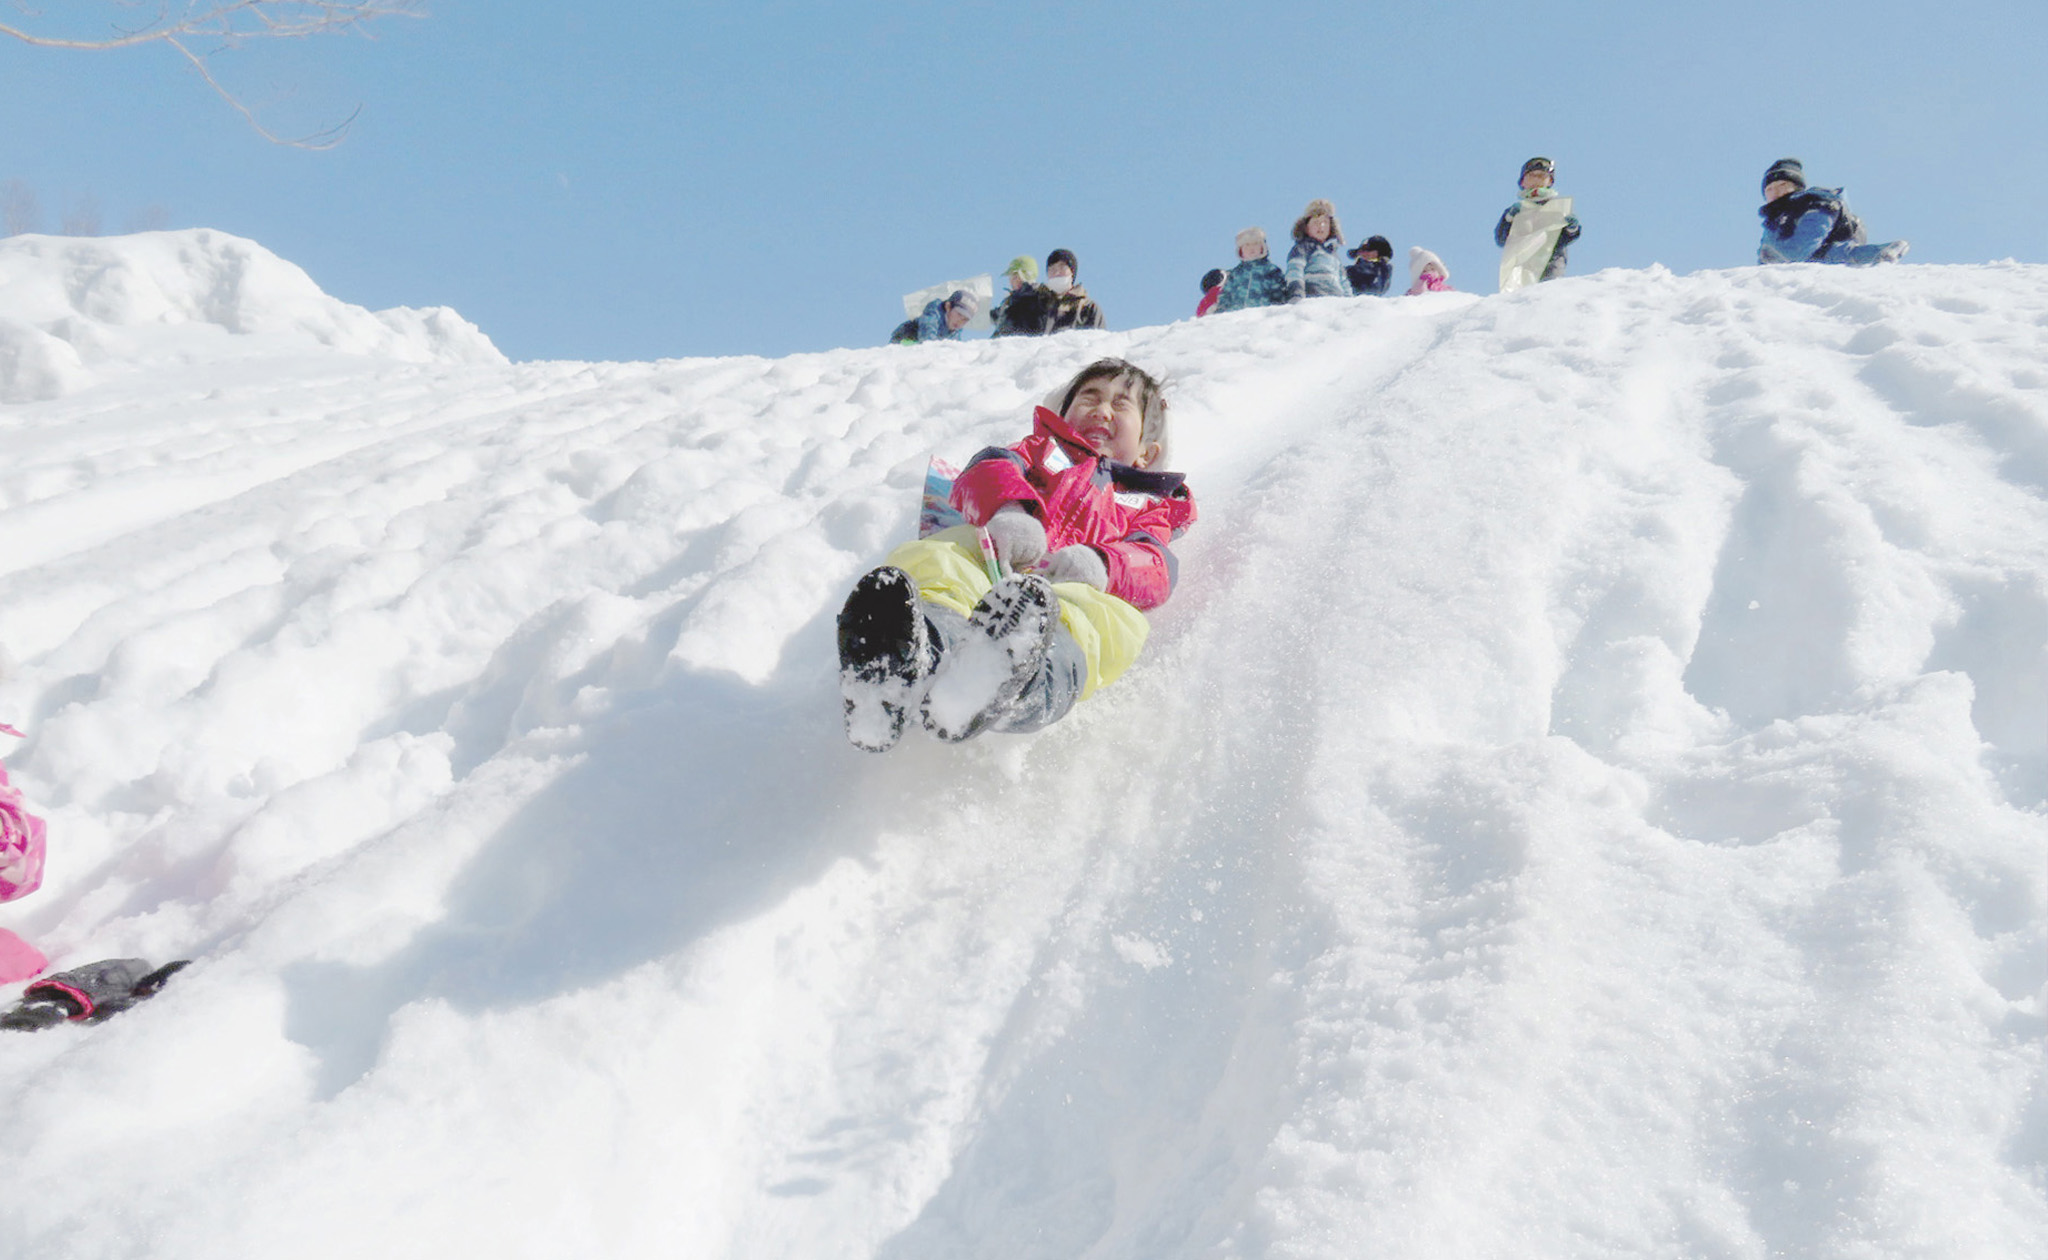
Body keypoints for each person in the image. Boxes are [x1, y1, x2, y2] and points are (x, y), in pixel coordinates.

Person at [836, 358, 1196, 751]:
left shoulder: (1148, 504)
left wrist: (1102, 564)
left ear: (1146, 451)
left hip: (1071, 591)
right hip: (999, 555)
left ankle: (1020, 684)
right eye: (1090, 396)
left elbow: (1155, 565)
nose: (1102, 409)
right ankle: (914, 653)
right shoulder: (1039, 451)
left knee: (1108, 622)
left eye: (1121, 404)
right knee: (950, 556)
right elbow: (987, 469)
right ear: (1064, 414)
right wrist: (1010, 512)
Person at [1758, 158, 1908, 266]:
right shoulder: (1774, 219)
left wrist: (1771, 255)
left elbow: (1801, 249)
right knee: (1817, 257)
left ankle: (1882, 252)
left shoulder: (1811, 202)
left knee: (1816, 254)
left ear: (1797, 186)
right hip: (1816, 250)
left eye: (1782, 184)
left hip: (1830, 224)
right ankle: (1875, 256)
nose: (1775, 191)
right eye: (1769, 189)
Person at [1494, 157, 1582, 283]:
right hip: (1522, 265)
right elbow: (1502, 239)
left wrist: (1571, 228)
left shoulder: (1557, 208)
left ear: (1550, 181)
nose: (1536, 180)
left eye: (1541, 176)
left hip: (1551, 263)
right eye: (1531, 176)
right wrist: (1509, 220)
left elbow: (1564, 239)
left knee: (1547, 293)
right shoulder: (1516, 211)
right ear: (1522, 181)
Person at [1284, 198, 1352, 300]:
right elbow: (1295, 270)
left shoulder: (1333, 254)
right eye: (1316, 222)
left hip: (1336, 300)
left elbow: (1343, 280)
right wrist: (1296, 293)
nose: (1321, 226)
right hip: (1313, 297)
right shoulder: (1303, 248)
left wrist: (1350, 301)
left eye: (1325, 222)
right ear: (1306, 227)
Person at [1216, 227, 1290, 312]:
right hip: (1236, 317)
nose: (1251, 248)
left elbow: (1279, 295)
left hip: (1261, 315)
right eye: (1247, 245)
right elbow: (1226, 296)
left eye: (1255, 244)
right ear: (1240, 250)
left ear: (1263, 247)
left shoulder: (1271, 270)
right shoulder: (1236, 274)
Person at [1042, 248, 1106, 332]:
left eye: (1062, 267)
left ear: (1072, 272)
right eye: (1052, 269)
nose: (1057, 273)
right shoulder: (1037, 307)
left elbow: (1098, 341)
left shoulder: (1088, 309)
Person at [891, 289, 979, 345]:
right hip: (906, 338)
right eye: (959, 314)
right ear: (948, 307)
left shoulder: (956, 330)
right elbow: (927, 332)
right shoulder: (934, 312)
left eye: (965, 320)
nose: (960, 321)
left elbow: (954, 347)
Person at [991, 256, 1050, 338]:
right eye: (1010, 277)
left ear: (1026, 276)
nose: (1011, 281)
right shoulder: (1009, 302)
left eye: (1015, 276)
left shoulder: (1038, 299)